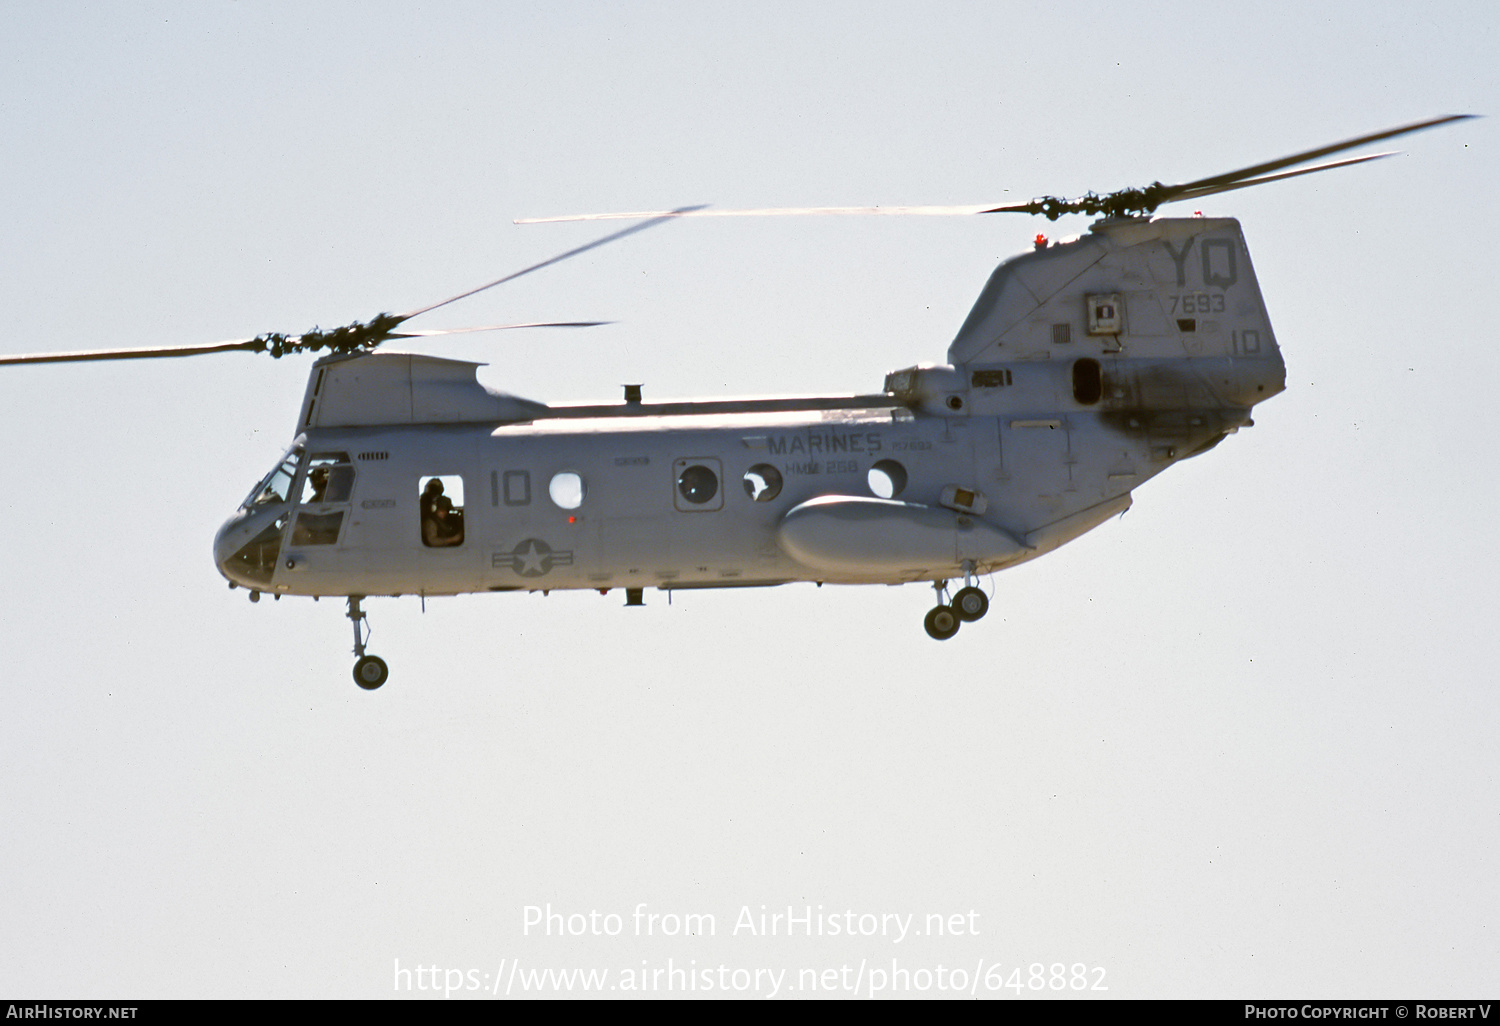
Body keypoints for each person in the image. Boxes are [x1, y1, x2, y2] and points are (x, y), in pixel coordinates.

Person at [420, 478, 463, 547]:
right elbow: (432, 541)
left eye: (445, 510)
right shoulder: (430, 521)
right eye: (441, 510)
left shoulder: (447, 519)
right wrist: (453, 539)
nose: (443, 512)